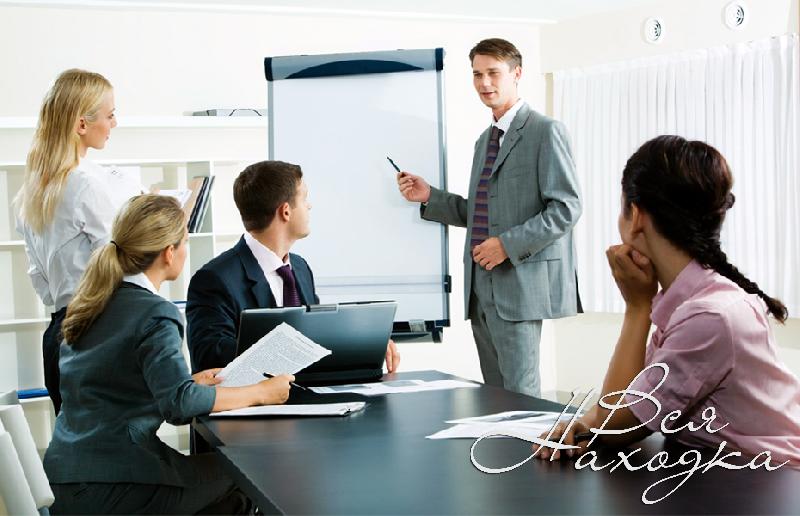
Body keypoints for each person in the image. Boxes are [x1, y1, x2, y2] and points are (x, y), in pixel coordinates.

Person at [536, 135, 800, 466]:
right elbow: (630, 401)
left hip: (774, 480)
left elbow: (617, 425)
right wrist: (581, 426)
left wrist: (637, 309)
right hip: (731, 472)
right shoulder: (692, 301)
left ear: (636, 216)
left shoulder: (709, 317)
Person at [43, 194, 293, 514]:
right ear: (169, 252)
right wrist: (261, 392)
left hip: (66, 481)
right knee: (247, 471)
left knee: (226, 488)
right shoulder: (156, 313)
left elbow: (111, 385)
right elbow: (180, 405)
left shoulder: (92, 303)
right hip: (116, 484)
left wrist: (189, 382)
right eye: (185, 242)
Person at [397, 38, 581, 397]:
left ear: (517, 74)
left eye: (493, 73)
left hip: (518, 285)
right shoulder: (485, 140)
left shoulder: (545, 131)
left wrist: (506, 246)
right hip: (480, 288)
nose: (484, 83)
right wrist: (430, 196)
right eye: (477, 74)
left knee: (522, 397)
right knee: (495, 398)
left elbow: (566, 208)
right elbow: (484, 212)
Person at [187, 160, 400, 373]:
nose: (309, 206)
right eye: (304, 198)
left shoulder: (300, 267)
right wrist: (290, 350)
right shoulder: (214, 279)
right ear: (286, 211)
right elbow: (210, 356)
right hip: (257, 394)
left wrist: (365, 343)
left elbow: (315, 335)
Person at [15, 69, 135, 413]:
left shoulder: (32, 191)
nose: (114, 124)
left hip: (57, 333)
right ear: (82, 124)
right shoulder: (86, 185)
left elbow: (41, 283)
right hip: (96, 331)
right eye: (110, 115)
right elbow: (116, 267)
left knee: (72, 439)